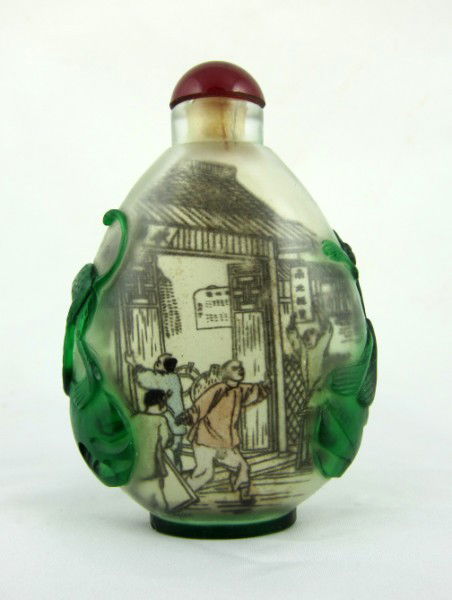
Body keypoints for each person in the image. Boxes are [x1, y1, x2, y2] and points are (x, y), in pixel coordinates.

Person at [177, 360, 268, 506]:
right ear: (225, 372)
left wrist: (264, 387)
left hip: (225, 442)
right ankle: (180, 496)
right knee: (205, 473)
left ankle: (244, 496)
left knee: (242, 466)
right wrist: (188, 416)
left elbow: (253, 391)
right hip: (205, 439)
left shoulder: (240, 390)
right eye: (235, 368)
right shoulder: (218, 389)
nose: (240, 369)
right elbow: (200, 406)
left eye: (241, 367)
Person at [125, 351, 186, 471]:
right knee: (174, 455)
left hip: (173, 425)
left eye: (159, 363)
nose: (155, 364)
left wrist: (134, 363)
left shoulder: (167, 379)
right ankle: (177, 471)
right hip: (176, 425)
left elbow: (146, 379)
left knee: (170, 453)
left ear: (165, 367)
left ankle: (174, 473)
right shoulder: (173, 378)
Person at [127, 388, 172, 511]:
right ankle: (162, 504)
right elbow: (165, 440)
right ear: (160, 403)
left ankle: (155, 501)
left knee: (143, 483)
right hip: (155, 459)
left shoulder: (136, 418)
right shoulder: (161, 420)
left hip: (139, 461)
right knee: (158, 483)